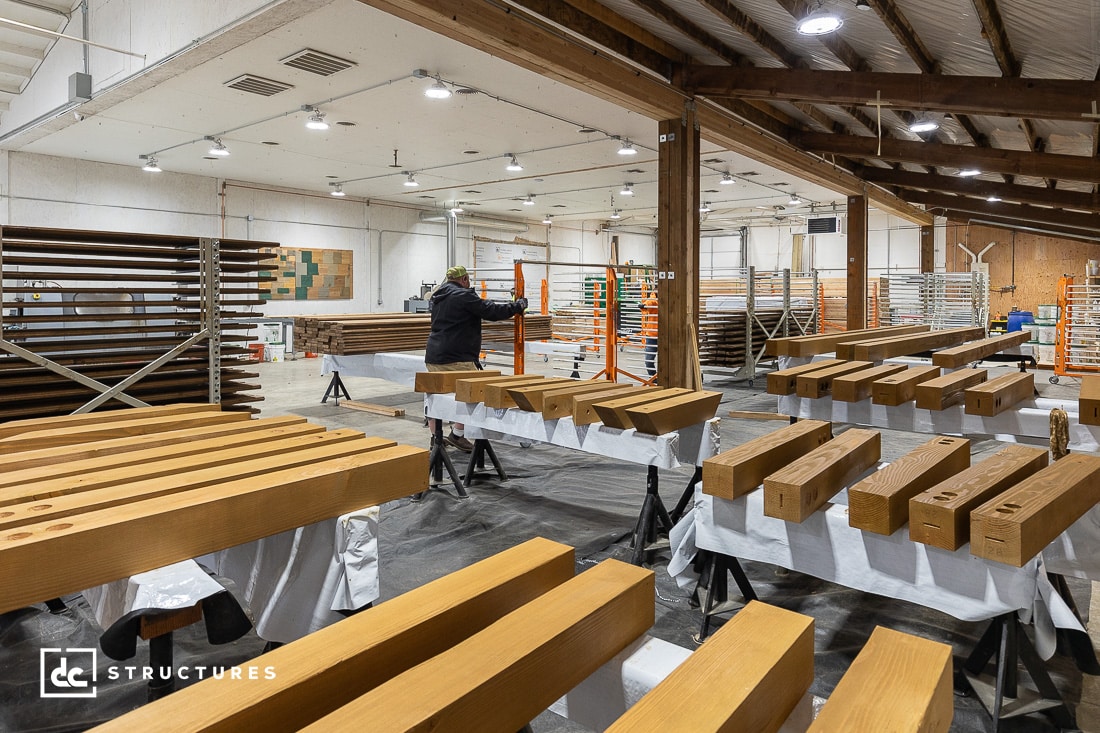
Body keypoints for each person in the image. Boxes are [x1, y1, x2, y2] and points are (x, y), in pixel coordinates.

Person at [425, 265, 528, 451]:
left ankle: (436, 440)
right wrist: (517, 306)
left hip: (434, 355)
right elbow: (490, 311)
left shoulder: (437, 296)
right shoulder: (463, 296)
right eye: (468, 280)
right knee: (471, 394)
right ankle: (457, 436)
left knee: (436, 397)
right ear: (464, 279)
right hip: (457, 357)